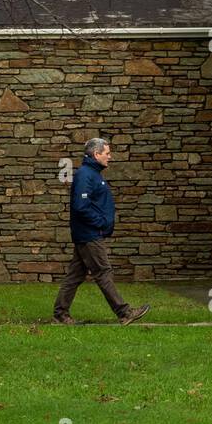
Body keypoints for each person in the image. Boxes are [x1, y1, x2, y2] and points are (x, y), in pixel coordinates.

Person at [53, 138, 150, 326]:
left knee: (75, 275)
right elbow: (81, 206)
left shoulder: (92, 173)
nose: (110, 157)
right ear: (96, 154)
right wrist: (100, 223)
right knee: (103, 271)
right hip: (89, 234)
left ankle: (60, 314)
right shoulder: (85, 175)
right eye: (107, 153)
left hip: (88, 233)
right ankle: (124, 312)